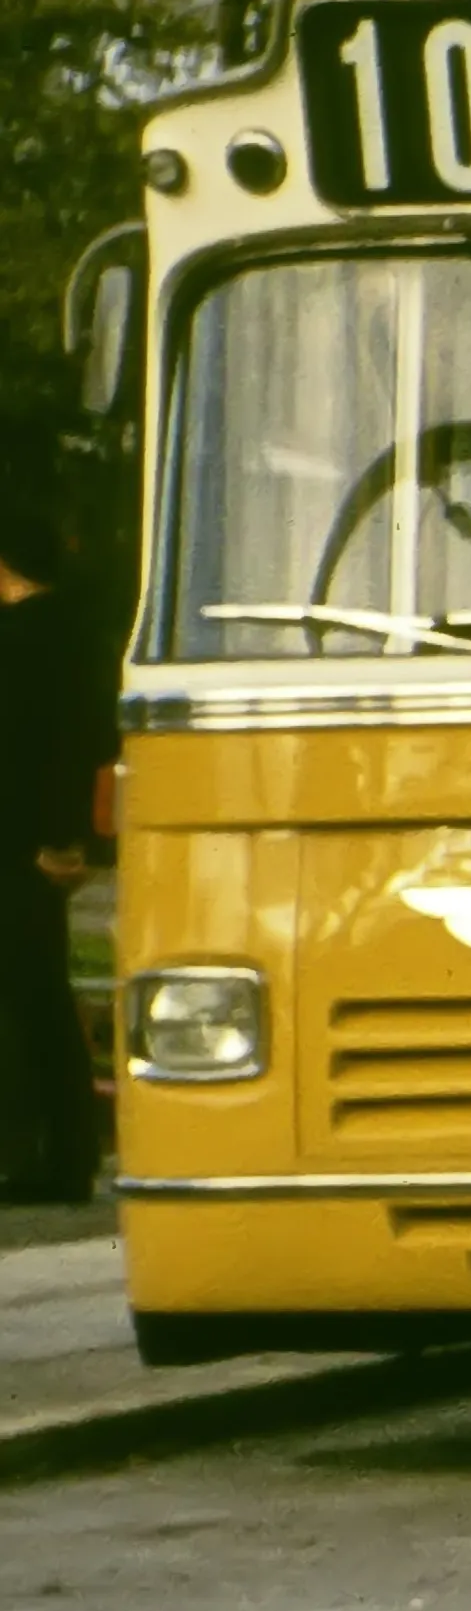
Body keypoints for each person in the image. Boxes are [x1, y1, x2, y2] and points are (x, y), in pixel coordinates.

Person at [0, 481, 116, 1204]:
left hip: (16, 842)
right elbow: (88, 741)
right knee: (42, 993)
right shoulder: (81, 635)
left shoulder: (19, 642)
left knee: (27, 1000)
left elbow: (21, 750)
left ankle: (42, 1152)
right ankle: (66, 1151)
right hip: (50, 843)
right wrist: (71, 840)